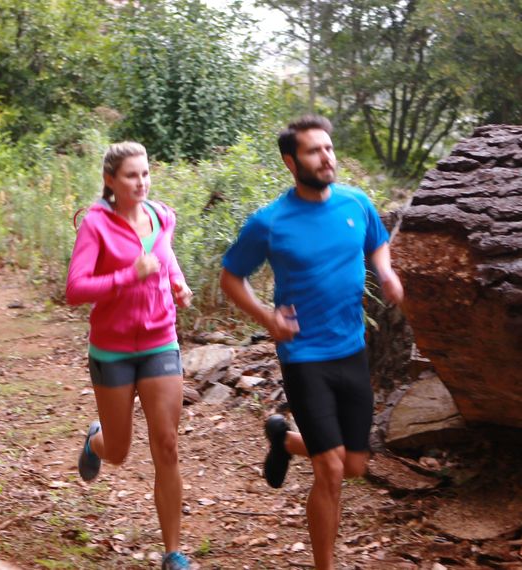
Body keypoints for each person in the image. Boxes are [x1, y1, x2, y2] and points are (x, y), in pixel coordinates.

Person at [219, 116, 404, 570]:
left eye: (329, 148)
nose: (327, 158)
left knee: (356, 464)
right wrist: (267, 316)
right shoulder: (269, 222)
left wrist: (386, 270)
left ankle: (284, 442)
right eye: (314, 151)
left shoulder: (355, 202)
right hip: (303, 356)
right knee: (333, 471)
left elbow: (376, 241)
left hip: (352, 349)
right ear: (291, 161)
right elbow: (231, 278)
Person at [66, 141, 195, 570]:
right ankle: (95, 439)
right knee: (119, 451)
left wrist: (178, 283)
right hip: (113, 349)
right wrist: (128, 275)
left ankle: (173, 551)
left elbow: (165, 256)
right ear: (110, 181)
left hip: (161, 340)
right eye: (130, 176)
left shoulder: (162, 216)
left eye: (144, 174)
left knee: (167, 445)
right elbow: (75, 289)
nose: (140, 182)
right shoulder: (95, 226)